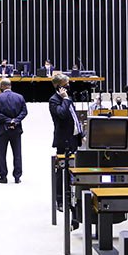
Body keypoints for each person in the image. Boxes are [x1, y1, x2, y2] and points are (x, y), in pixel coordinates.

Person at [50, 73, 83, 213]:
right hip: (63, 140)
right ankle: (59, 200)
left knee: (73, 170)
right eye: (66, 84)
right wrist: (65, 99)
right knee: (61, 171)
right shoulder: (54, 100)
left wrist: (81, 133)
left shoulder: (67, 98)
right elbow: (62, 114)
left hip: (73, 138)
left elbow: (74, 117)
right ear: (59, 86)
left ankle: (71, 198)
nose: (69, 86)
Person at [0, 78, 28, 184]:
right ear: (10, 85)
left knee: (2, 154)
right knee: (17, 153)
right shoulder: (20, 97)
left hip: (2, 129)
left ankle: (3, 177)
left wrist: (8, 121)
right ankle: (17, 177)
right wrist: (15, 121)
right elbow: (24, 112)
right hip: (16, 129)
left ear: (1, 86)